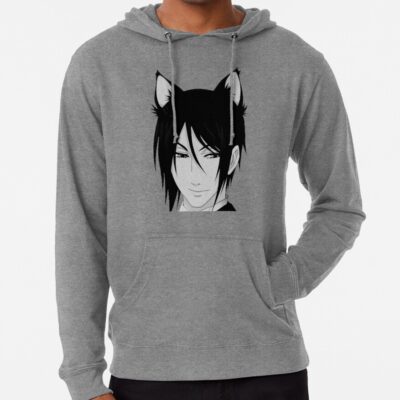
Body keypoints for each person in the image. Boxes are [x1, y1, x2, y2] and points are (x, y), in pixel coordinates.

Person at [55, 1, 366, 399]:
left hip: (269, 367)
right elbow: (80, 225)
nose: (195, 172)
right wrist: (84, 379)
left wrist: (278, 282)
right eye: (182, 155)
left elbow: (341, 206)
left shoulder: (296, 64)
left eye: (210, 154)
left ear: (231, 158)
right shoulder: (99, 64)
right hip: (147, 369)